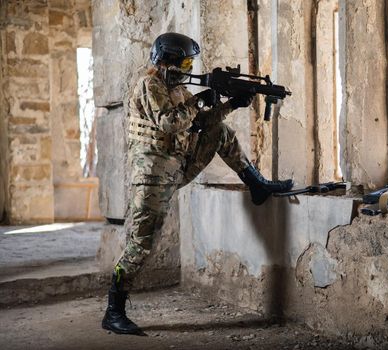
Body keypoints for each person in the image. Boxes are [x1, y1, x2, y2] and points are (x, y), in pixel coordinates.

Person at [101, 32, 294, 335]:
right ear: (166, 60)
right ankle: (114, 311)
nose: (189, 67)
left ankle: (257, 185)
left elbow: (201, 123)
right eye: (185, 61)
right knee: (141, 244)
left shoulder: (176, 89)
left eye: (191, 61)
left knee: (221, 130)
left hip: (177, 165)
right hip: (151, 175)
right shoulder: (150, 84)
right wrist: (201, 99)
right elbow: (170, 122)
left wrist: (231, 105)